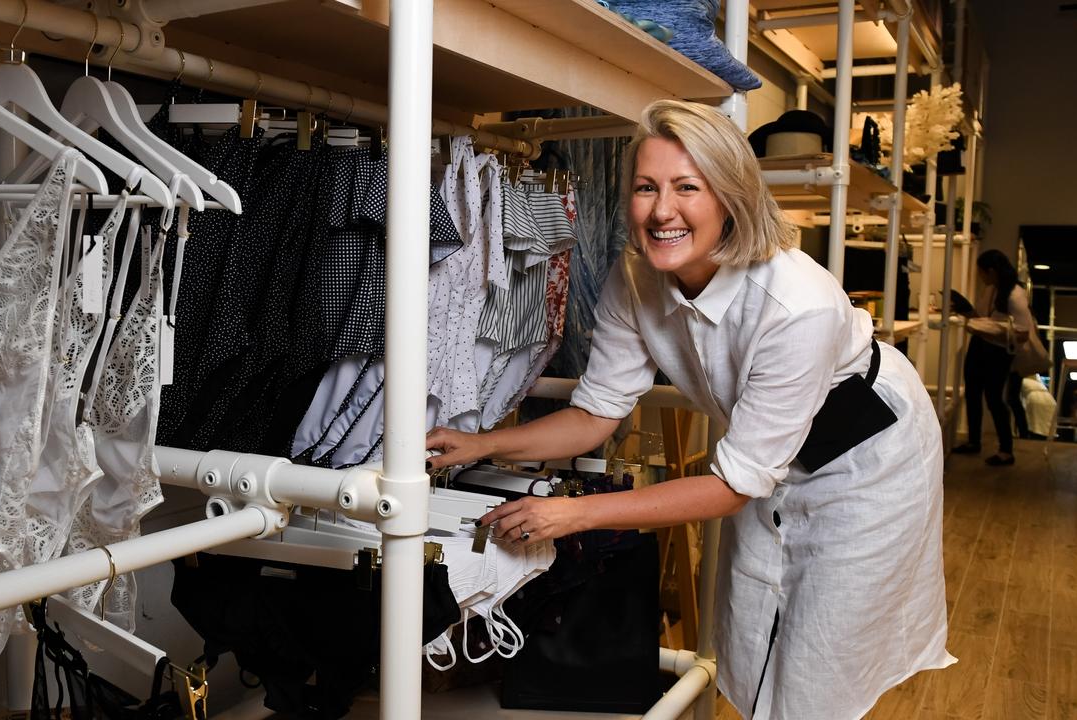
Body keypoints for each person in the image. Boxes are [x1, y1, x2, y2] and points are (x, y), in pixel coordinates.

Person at [426, 100, 952, 719]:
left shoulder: (796, 306)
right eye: (646, 188)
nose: (662, 210)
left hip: (867, 460)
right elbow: (596, 415)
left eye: (687, 188)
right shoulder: (636, 276)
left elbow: (731, 488)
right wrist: (483, 444)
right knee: (753, 636)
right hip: (768, 456)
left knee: (820, 667)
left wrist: (573, 515)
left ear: (729, 195)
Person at [954, 248, 1034, 465]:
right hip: (980, 344)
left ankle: (1006, 450)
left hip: (998, 351)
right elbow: (981, 318)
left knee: (993, 398)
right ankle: (974, 441)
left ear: (991, 271)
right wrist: (966, 312)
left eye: (981, 272)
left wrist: (989, 328)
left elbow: (1023, 333)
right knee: (973, 392)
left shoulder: (1015, 296)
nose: (980, 277)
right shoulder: (992, 289)